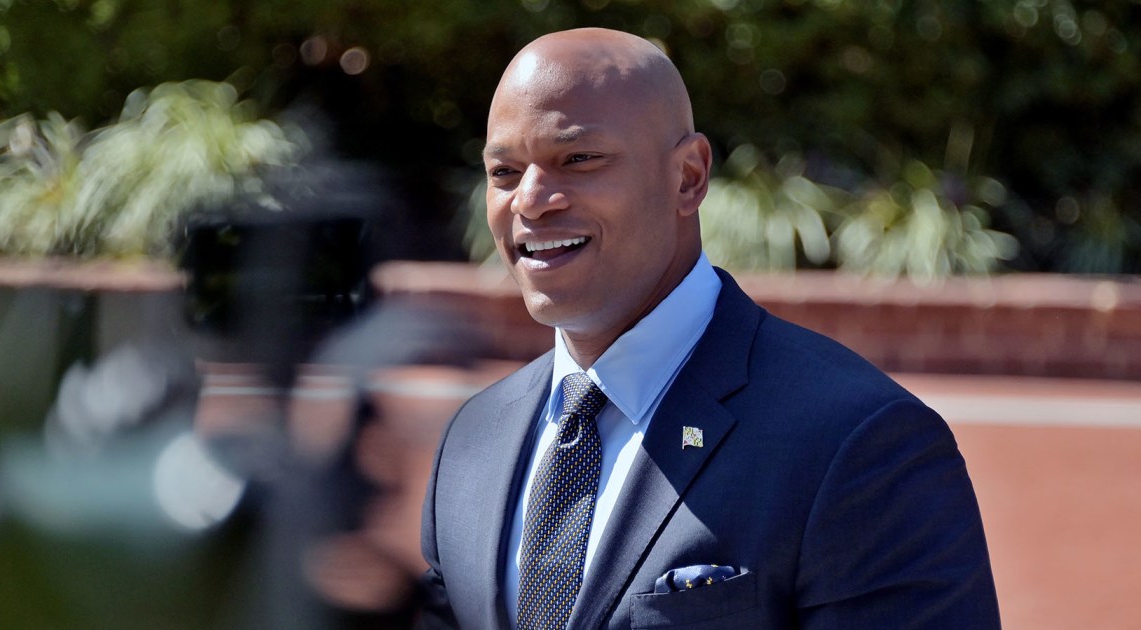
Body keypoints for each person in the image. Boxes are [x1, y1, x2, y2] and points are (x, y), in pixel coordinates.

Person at [419, 27, 999, 629]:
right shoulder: (474, 439)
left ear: (689, 177)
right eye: (504, 172)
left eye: (578, 159)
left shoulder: (859, 442)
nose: (531, 200)